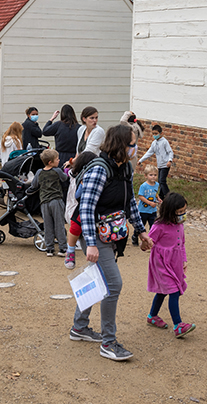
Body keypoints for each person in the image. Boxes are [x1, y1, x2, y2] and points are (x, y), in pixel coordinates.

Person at [69, 123, 152, 362]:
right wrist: (91, 244)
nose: (135, 148)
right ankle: (108, 342)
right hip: (94, 234)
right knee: (113, 284)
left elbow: (130, 203)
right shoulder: (99, 169)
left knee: (99, 281)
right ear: (120, 145)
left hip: (111, 233)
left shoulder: (125, 169)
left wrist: (141, 231)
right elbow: (86, 208)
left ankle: (80, 327)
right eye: (132, 144)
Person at [145, 192, 195, 338]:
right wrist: (144, 244)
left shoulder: (180, 226)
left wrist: (184, 260)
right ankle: (178, 325)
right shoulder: (159, 226)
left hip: (175, 263)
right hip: (161, 263)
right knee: (173, 291)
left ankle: (152, 316)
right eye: (179, 212)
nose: (183, 215)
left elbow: (182, 244)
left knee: (162, 291)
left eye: (184, 211)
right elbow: (149, 241)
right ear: (169, 211)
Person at [63, 151, 97, 270]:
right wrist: (83, 185)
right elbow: (77, 195)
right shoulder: (78, 176)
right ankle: (70, 250)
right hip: (81, 207)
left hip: (95, 208)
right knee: (76, 225)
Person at [34, 149, 68, 256]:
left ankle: (49, 248)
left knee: (48, 225)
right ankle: (62, 248)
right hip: (56, 201)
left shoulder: (39, 172)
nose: (59, 160)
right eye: (57, 159)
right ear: (50, 162)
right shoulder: (57, 171)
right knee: (59, 225)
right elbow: (64, 178)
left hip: (44, 202)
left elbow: (34, 185)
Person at [138, 124, 174, 199]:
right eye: (153, 134)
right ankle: (161, 196)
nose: (154, 135)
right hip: (160, 165)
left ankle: (169, 197)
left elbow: (170, 152)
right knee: (160, 181)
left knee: (162, 180)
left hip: (165, 165)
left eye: (156, 134)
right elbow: (149, 152)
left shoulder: (164, 142)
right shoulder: (154, 143)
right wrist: (141, 160)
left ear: (161, 133)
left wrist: (170, 160)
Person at [134, 164, 161, 245]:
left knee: (153, 225)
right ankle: (135, 236)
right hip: (143, 210)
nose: (153, 177)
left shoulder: (157, 184)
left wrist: (158, 199)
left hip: (153, 210)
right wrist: (149, 203)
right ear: (146, 176)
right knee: (141, 225)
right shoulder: (144, 186)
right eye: (151, 175)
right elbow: (140, 196)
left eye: (155, 175)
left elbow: (155, 193)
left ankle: (151, 240)